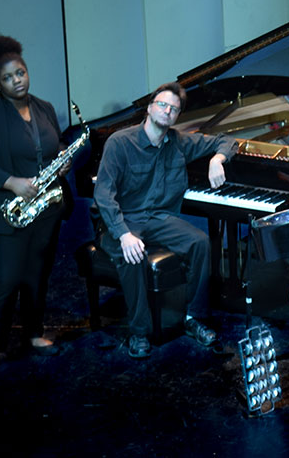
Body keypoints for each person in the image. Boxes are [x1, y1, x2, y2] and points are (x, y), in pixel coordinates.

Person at [92, 82, 233, 358]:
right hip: (122, 220)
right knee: (133, 255)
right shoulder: (120, 143)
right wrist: (123, 234)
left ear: (177, 116)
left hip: (158, 219)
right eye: (162, 105)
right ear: (149, 108)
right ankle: (139, 332)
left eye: (174, 109)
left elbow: (225, 141)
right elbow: (104, 195)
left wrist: (217, 159)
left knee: (200, 243)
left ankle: (193, 317)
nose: (167, 111)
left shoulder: (178, 142)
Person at [0, 35, 69, 375]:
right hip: (7, 210)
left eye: (20, 73)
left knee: (37, 274)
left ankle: (34, 334)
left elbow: (53, 145)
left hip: (45, 208)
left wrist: (62, 157)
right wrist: (12, 182)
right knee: (5, 279)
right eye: (7, 78)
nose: (16, 81)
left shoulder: (44, 108)